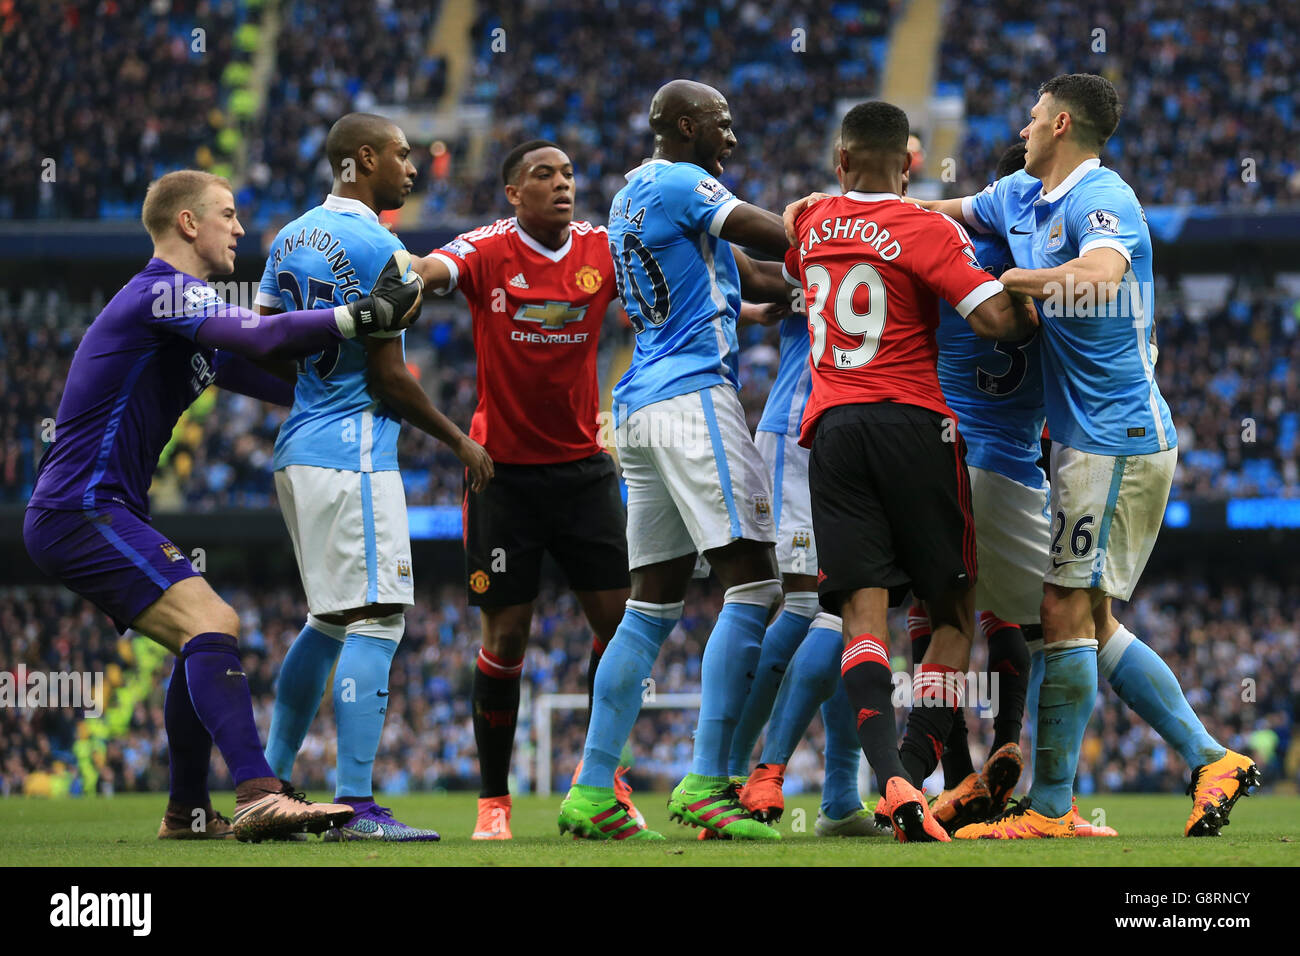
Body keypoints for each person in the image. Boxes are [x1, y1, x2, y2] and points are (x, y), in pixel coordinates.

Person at [23, 169, 422, 842]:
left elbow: (284, 373)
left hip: (98, 507)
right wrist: (358, 315)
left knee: (196, 636)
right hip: (81, 506)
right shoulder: (163, 294)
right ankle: (257, 791)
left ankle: (185, 812)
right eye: (228, 215)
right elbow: (266, 341)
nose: (240, 228)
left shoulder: (190, 312)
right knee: (215, 619)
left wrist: (375, 363)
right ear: (187, 224)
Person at [909, 74, 1258, 839]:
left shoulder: (1106, 199)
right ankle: (1209, 758)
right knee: (1089, 620)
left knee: (1063, 609)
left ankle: (1052, 809)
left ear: (1061, 123)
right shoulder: (1017, 195)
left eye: (1034, 116)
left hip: (1118, 438)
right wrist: (852, 211)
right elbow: (938, 213)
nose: (1025, 126)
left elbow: (1103, 274)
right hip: (1081, 441)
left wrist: (1014, 279)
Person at [784, 101, 1034, 843]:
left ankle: (887, 779)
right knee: (953, 612)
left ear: (839, 160)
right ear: (911, 163)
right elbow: (995, 321)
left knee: (862, 619)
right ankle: (915, 766)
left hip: (830, 431)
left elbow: (797, 237)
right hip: (914, 424)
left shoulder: (810, 221)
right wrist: (1036, 303)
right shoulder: (928, 227)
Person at [555, 79, 795, 840]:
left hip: (639, 406)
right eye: (722, 124)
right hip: (694, 401)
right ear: (686, 126)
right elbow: (768, 235)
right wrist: (851, 229)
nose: (732, 137)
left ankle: (592, 789)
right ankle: (705, 783)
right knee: (756, 584)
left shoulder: (633, 192)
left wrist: (798, 296)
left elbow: (748, 277)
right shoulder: (688, 182)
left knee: (651, 605)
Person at [254, 113, 491, 842]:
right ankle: (355, 805)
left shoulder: (287, 238)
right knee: (380, 618)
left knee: (326, 621)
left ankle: (268, 785)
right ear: (364, 159)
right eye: (402, 154)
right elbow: (391, 378)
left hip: (299, 448)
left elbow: (268, 344)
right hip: (353, 455)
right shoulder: (381, 247)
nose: (413, 167)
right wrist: (459, 441)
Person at [412, 140, 634, 839]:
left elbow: (673, 282)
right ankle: (493, 800)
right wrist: (406, 273)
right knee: (506, 635)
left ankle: (602, 778)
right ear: (514, 191)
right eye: (545, 175)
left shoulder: (603, 249)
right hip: (502, 474)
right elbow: (433, 267)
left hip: (585, 471)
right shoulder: (487, 249)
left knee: (619, 627)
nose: (562, 184)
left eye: (569, 173)